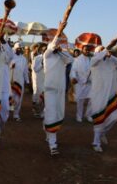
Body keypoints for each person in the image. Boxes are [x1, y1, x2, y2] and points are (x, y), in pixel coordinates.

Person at [42, 24, 73, 155]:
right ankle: (52, 144)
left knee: (59, 113)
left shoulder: (62, 57)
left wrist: (61, 51)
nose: (56, 46)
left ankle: (47, 130)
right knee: (51, 114)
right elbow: (51, 47)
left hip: (60, 89)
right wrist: (58, 33)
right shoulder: (47, 55)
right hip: (49, 89)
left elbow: (70, 59)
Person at [89, 44, 117, 152]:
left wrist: (110, 56)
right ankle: (96, 142)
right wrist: (103, 52)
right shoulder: (94, 61)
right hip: (98, 95)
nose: (104, 51)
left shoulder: (112, 62)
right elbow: (94, 60)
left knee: (114, 118)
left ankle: (102, 133)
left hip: (111, 95)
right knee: (99, 118)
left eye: (104, 50)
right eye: (100, 50)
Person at [70, 45, 93, 122]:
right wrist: (74, 77)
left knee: (91, 99)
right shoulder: (77, 60)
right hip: (80, 82)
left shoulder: (91, 59)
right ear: (82, 50)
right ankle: (79, 116)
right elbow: (73, 70)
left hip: (90, 83)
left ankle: (88, 115)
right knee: (80, 100)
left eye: (88, 50)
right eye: (85, 49)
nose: (87, 51)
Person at [9, 42, 30, 122]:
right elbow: (6, 67)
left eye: (20, 48)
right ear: (14, 49)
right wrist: (11, 67)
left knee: (18, 99)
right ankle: (6, 114)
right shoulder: (11, 57)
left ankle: (16, 114)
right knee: (9, 97)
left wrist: (27, 80)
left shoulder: (24, 59)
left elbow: (25, 71)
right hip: (11, 81)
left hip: (20, 81)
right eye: (17, 48)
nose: (19, 50)